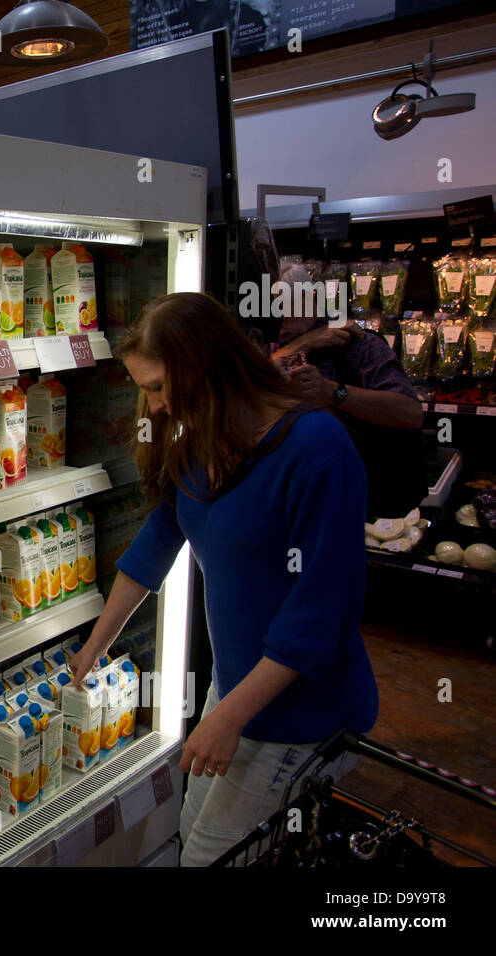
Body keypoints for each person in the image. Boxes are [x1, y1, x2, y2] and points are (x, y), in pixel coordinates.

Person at [69, 292, 378, 867]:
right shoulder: (201, 442)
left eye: (159, 386)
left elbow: (318, 615)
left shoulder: (318, 451)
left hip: (302, 712)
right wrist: (97, 644)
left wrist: (227, 717)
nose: (154, 407)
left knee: (211, 856)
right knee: (195, 835)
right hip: (234, 690)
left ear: (205, 365)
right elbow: (156, 544)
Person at [270, 262, 424, 518]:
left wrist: (333, 393)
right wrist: (299, 344)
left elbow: (410, 413)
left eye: (286, 308)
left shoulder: (358, 345)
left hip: (366, 502)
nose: (280, 322)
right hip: (302, 498)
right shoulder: (276, 345)